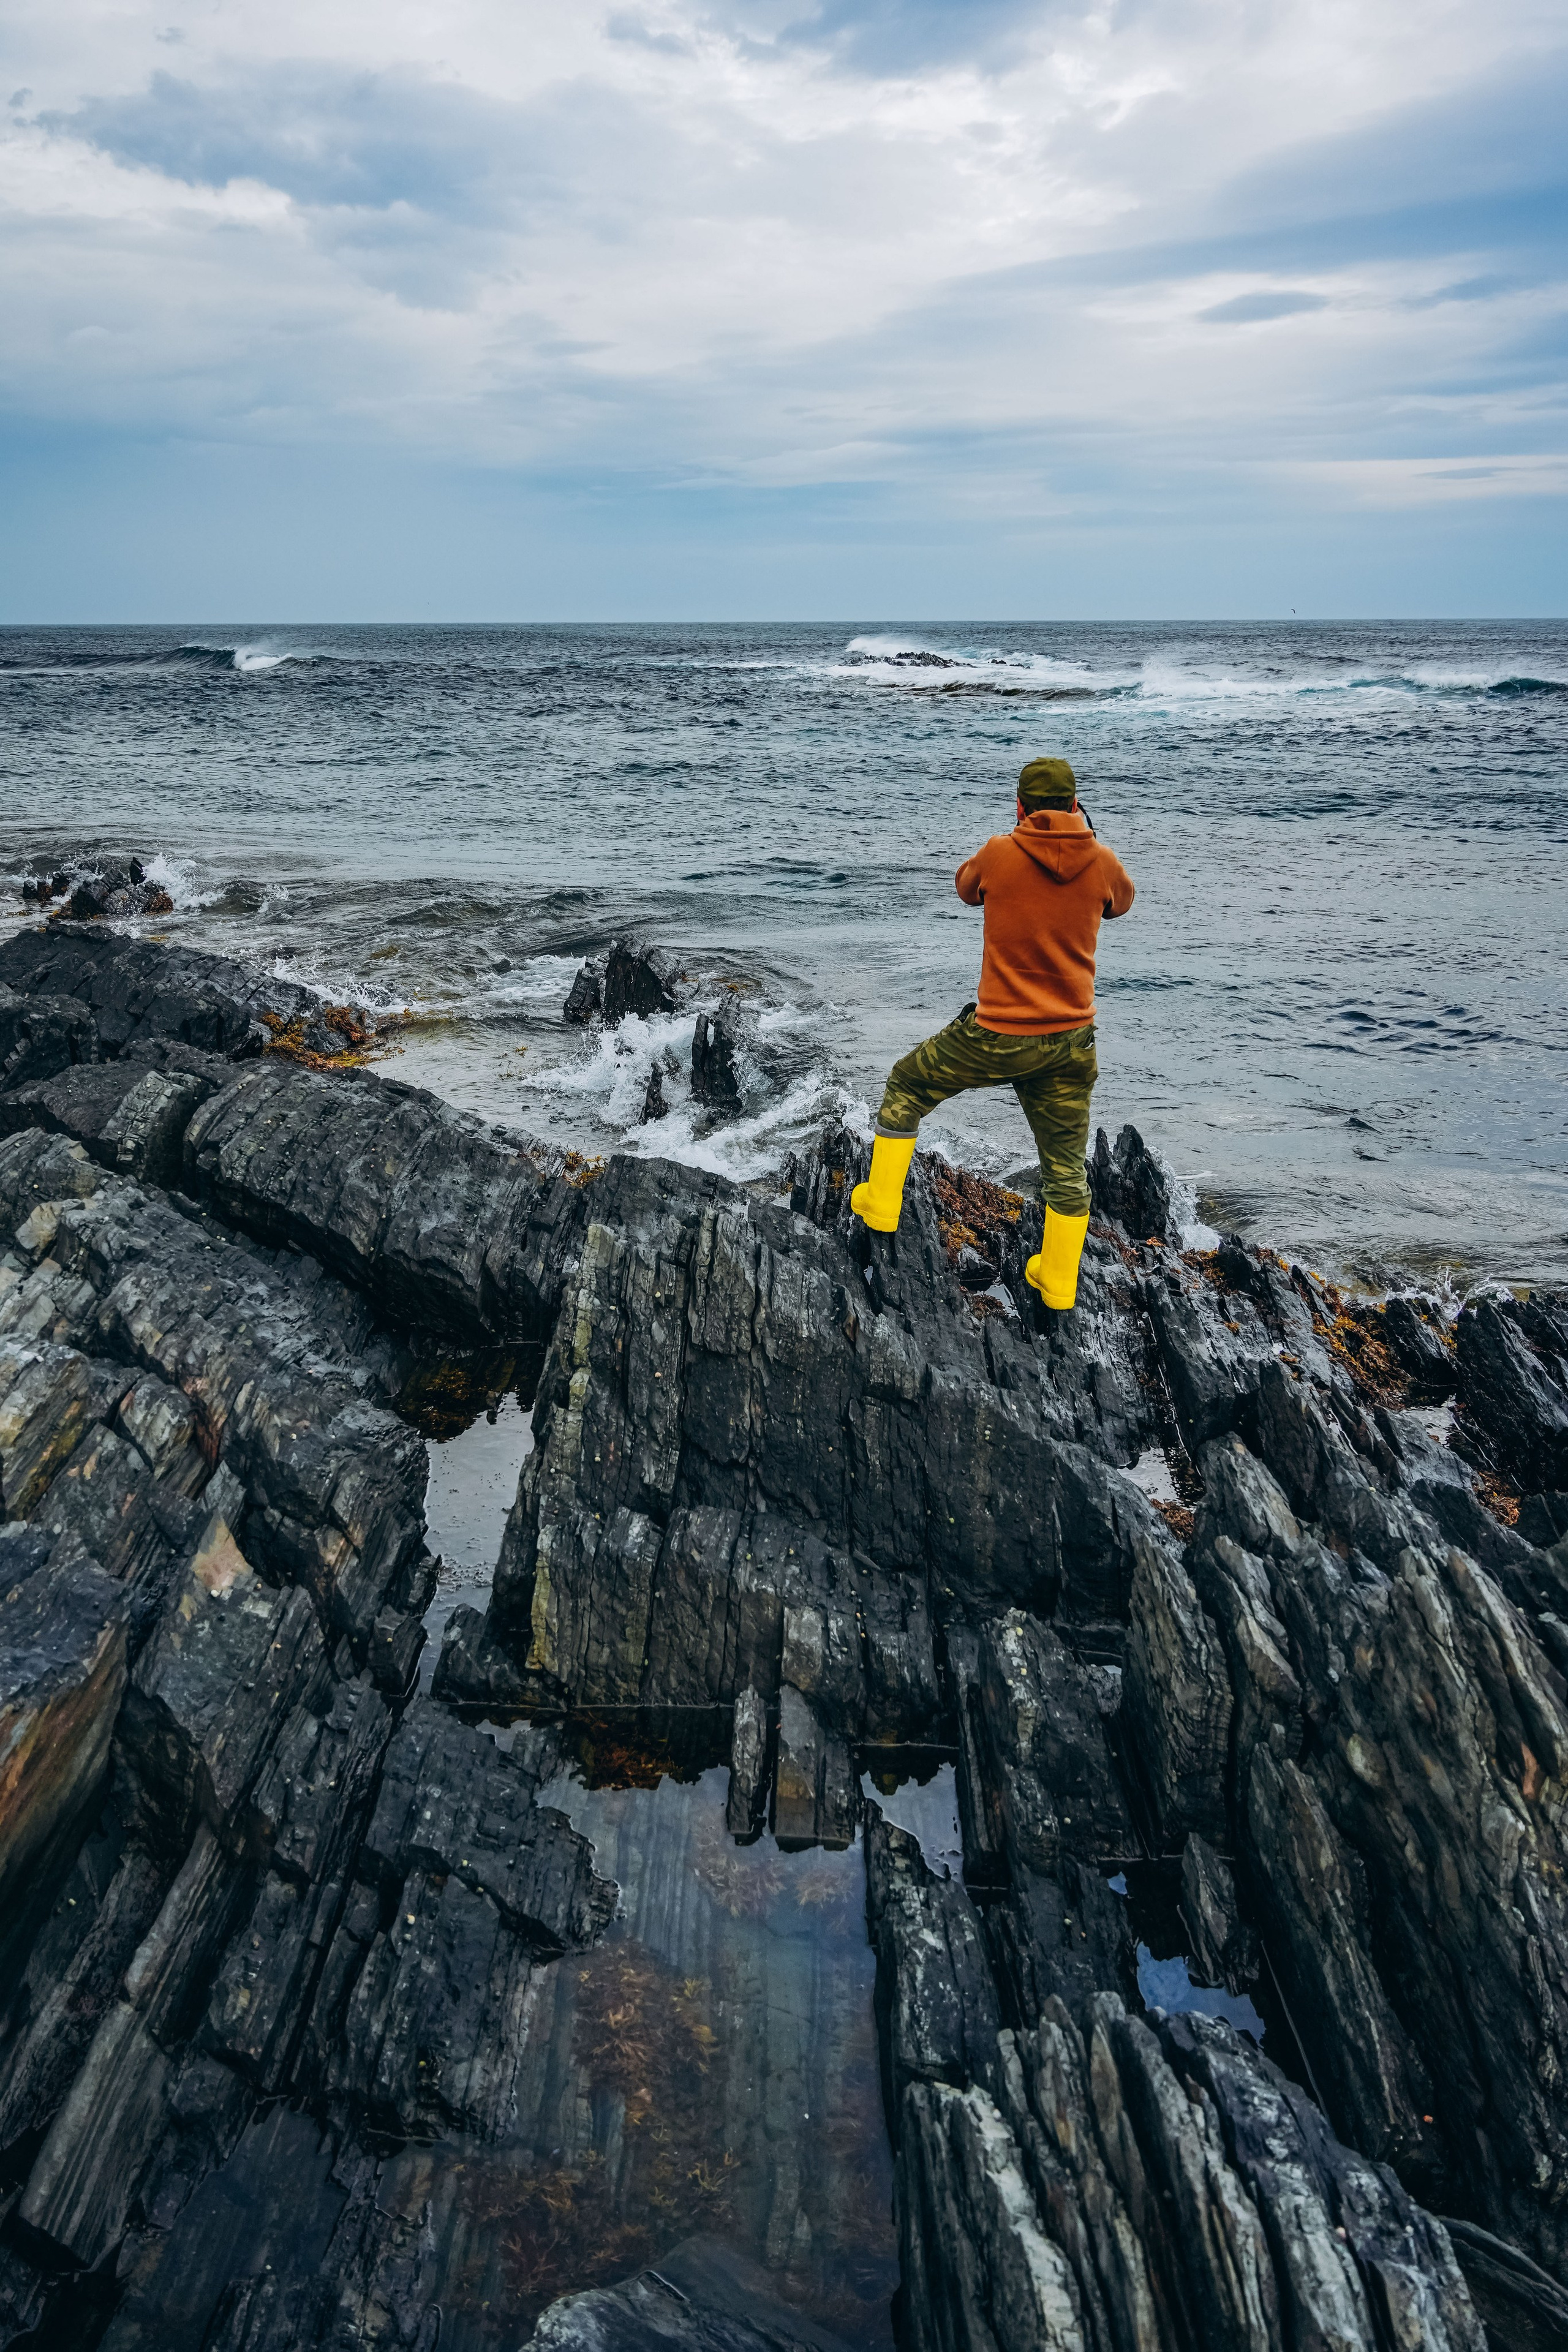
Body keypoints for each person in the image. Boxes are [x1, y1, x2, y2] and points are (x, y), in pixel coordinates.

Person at [850, 755, 1135, 1311]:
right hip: (1071, 1043)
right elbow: (1121, 903)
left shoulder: (1001, 851)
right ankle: (1057, 1280)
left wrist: (1008, 843)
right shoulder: (1101, 861)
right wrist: (1089, 842)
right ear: (1076, 805)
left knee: (907, 1085)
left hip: (998, 1034)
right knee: (1065, 1167)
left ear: (1021, 806)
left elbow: (965, 888)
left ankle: (881, 1204)